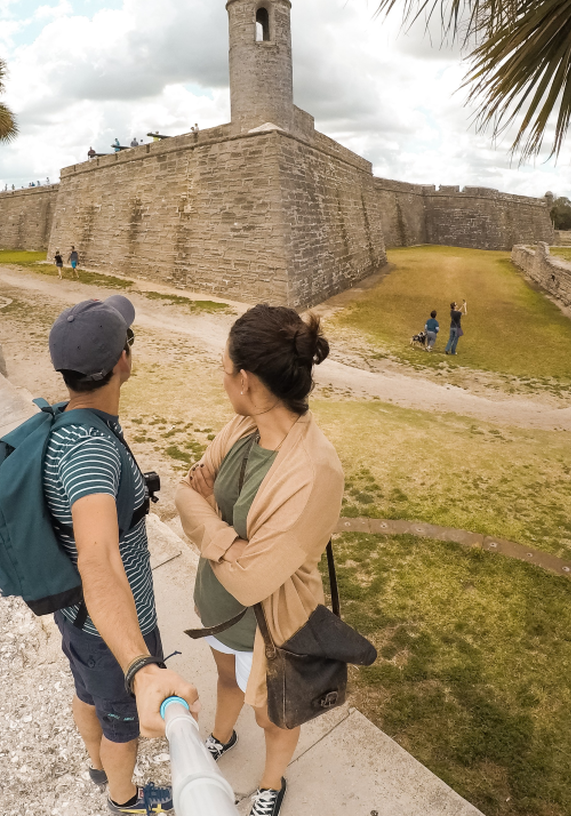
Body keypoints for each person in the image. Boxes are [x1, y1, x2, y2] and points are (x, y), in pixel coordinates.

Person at [176, 304, 344, 816]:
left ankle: (272, 782)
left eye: (224, 368)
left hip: (270, 629)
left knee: (274, 716)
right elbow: (185, 491)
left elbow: (252, 582)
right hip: (218, 608)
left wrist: (208, 517)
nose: (221, 377)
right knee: (226, 680)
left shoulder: (315, 472)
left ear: (245, 380)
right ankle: (222, 736)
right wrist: (232, 542)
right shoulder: (243, 427)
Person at [45, 296, 198, 814]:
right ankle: (122, 796)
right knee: (123, 725)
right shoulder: (90, 451)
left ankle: (96, 765)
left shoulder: (67, 422)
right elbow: (99, 560)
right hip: (112, 631)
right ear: (123, 362)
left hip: (76, 617)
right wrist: (140, 667)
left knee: (87, 693)